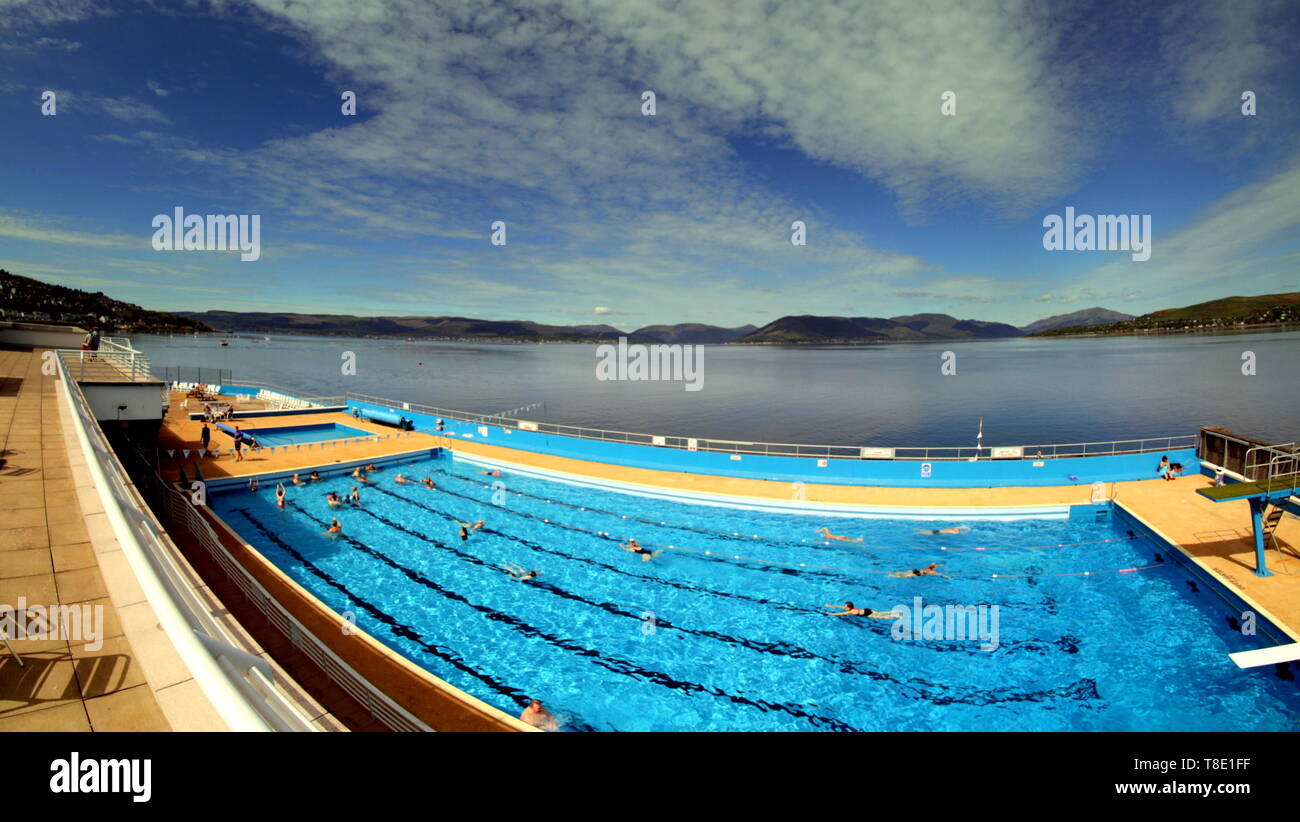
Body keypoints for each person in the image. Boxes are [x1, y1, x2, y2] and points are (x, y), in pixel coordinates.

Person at [822, 602, 901, 619]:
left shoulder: (851, 611)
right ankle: (894, 611)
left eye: (845, 606)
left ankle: (897, 616)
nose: (844, 607)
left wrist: (830, 613)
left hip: (868, 614)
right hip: (868, 610)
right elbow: (840, 607)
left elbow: (840, 614)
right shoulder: (852, 608)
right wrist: (830, 606)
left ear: (848, 607)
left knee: (883, 617)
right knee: (881, 613)